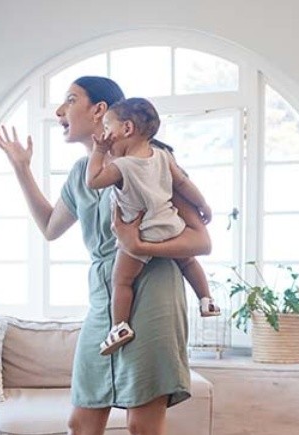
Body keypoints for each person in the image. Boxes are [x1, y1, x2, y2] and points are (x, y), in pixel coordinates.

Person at [0, 76, 210, 435]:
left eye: (70, 100)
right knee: (80, 424)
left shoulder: (155, 162)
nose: (60, 110)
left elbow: (200, 237)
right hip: (103, 301)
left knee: (142, 428)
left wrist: (140, 246)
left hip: (153, 292)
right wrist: (22, 170)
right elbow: (51, 227)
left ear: (102, 112)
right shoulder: (80, 173)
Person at [87, 97, 219, 356]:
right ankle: (206, 300)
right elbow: (183, 184)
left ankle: (119, 327)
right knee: (188, 262)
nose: (105, 136)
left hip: (142, 232)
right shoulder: (163, 156)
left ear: (127, 128)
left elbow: (93, 181)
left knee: (122, 281)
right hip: (170, 225)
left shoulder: (121, 166)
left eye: (107, 127)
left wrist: (99, 151)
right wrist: (203, 204)